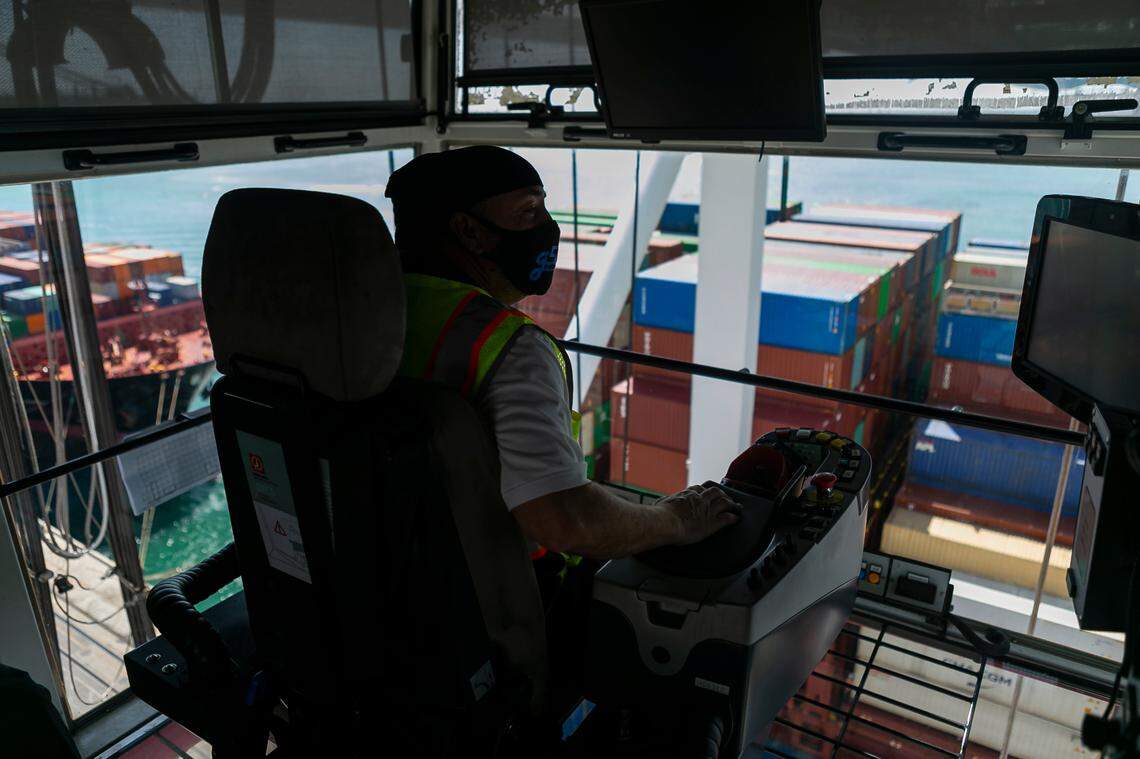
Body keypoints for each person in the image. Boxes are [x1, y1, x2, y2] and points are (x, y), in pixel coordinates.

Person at [384, 146, 740, 562]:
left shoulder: (358, 311)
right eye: (528, 211)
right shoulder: (511, 347)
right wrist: (678, 518)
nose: (548, 227)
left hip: (389, 561)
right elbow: (568, 521)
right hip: (499, 598)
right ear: (469, 232)